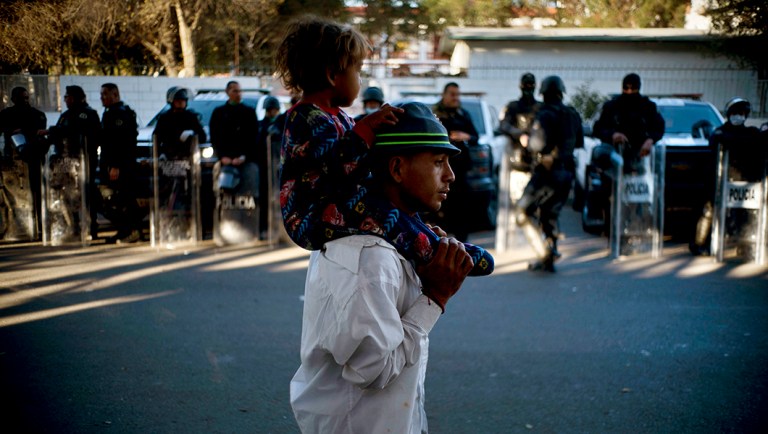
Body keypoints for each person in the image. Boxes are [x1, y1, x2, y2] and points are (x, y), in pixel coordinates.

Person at [290, 101, 474, 433]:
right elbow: (372, 369)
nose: (450, 176)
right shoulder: (369, 254)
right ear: (397, 168)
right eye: (437, 162)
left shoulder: (392, 239)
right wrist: (435, 296)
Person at [274, 16, 493, 276]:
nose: (360, 80)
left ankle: (423, 236)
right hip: (311, 216)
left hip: (336, 204)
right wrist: (366, 129)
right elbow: (333, 168)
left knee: (393, 208)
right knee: (380, 211)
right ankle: (430, 249)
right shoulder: (305, 118)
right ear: (333, 75)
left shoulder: (337, 116)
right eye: (357, 71)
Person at [516, 76, 583, 272]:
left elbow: (536, 144)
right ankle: (549, 256)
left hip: (547, 172)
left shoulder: (544, 113)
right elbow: (578, 142)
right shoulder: (572, 114)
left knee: (522, 211)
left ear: (543, 93)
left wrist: (529, 143)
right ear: (562, 92)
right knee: (549, 213)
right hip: (567, 172)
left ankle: (544, 251)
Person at [690, 97, 762, 256]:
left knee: (746, 213)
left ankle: (745, 245)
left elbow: (759, 140)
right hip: (720, 181)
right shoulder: (720, 132)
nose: (739, 116)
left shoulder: (751, 133)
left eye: (742, 113)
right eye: (736, 113)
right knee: (709, 211)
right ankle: (699, 243)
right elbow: (720, 140)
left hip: (743, 183)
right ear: (730, 114)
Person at [45, 85, 102, 239]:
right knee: (67, 195)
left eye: (68, 97)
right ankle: (73, 226)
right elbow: (58, 134)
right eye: (65, 97)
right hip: (65, 163)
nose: (66, 100)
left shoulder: (87, 114)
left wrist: (53, 131)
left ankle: (90, 227)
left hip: (82, 162)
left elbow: (82, 134)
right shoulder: (65, 115)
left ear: (76, 98)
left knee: (85, 194)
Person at [431, 82, 480, 242]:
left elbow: (475, 136)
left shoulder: (463, 114)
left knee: (462, 209)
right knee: (441, 208)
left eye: (457, 94)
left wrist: (465, 136)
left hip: (461, 171)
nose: (455, 98)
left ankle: (462, 244)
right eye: (452, 94)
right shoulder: (434, 114)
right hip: (439, 171)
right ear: (444, 95)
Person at [0, 87, 48, 237]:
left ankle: (39, 225)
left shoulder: (37, 115)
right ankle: (15, 228)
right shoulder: (6, 115)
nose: (25, 101)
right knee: (11, 196)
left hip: (33, 160)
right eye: (22, 98)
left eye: (27, 98)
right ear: (13, 99)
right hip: (12, 162)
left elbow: (40, 134)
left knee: (37, 193)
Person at [592, 73, 664, 171]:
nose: (629, 92)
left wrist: (650, 140)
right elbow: (598, 129)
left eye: (632, 89)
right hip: (614, 156)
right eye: (626, 89)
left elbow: (659, 128)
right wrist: (613, 135)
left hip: (641, 155)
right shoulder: (611, 107)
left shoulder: (648, 107)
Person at [99, 83, 141, 244]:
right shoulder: (110, 113)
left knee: (125, 199)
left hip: (122, 165)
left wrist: (116, 165)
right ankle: (124, 231)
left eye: (105, 94)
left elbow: (121, 142)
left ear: (115, 95)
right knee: (117, 200)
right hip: (113, 164)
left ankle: (133, 231)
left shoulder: (120, 114)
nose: (102, 98)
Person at [499, 73, 541, 172]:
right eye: (526, 85)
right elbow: (504, 125)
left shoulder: (541, 107)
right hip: (516, 154)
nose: (528, 88)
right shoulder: (512, 106)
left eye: (531, 85)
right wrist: (520, 134)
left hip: (537, 155)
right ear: (521, 86)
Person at [153, 87, 207, 159]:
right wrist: (161, 153)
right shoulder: (165, 118)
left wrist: (192, 134)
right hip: (168, 157)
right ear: (171, 101)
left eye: (183, 100)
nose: (181, 102)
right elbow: (156, 138)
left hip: (187, 156)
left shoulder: (191, 117)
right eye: (178, 100)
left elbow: (203, 137)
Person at [257, 95, 281, 236]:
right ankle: (264, 228)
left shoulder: (282, 123)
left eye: (274, 110)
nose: (272, 112)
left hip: (278, 166)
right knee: (264, 198)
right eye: (269, 110)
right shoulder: (261, 125)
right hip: (265, 167)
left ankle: (280, 229)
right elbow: (257, 143)